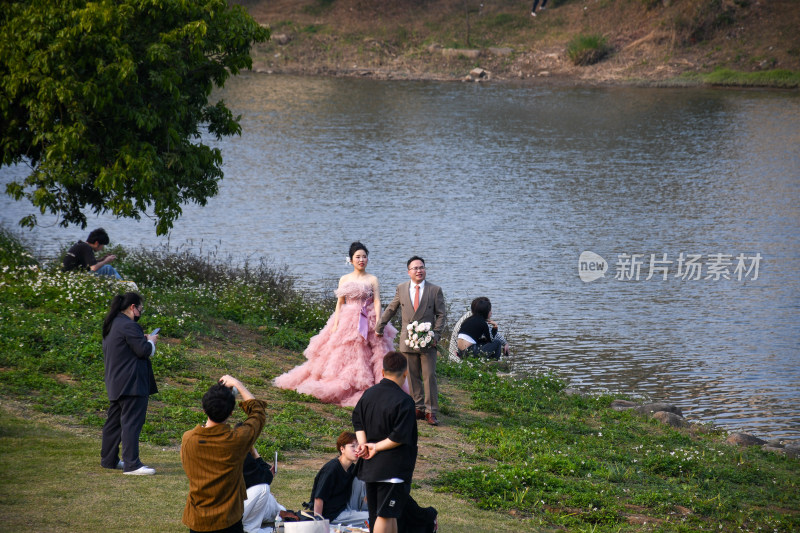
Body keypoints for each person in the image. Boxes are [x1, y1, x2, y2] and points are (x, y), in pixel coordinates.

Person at [274, 242, 398, 407]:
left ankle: (369, 385)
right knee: (341, 352)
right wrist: (335, 324)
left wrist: (378, 323)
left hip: (368, 318)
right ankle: (341, 382)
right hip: (348, 318)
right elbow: (340, 303)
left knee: (371, 353)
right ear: (351, 260)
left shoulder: (372, 279)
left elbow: (377, 301)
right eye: (358, 257)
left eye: (364, 256)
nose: (362, 260)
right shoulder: (345, 279)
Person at [181, 376, 267, 533]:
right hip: (228, 521)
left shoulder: (188, 439)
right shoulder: (237, 440)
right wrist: (238, 384)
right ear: (231, 413)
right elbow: (258, 413)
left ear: (204, 409)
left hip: (198, 520)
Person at [353, 351, 418, 533]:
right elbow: (399, 436)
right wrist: (374, 447)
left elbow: (357, 420)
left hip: (371, 467)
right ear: (405, 374)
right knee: (385, 514)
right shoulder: (405, 401)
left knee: (386, 515)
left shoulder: (369, 394)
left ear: (382, 372)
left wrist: (364, 444)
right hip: (393, 469)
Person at [377, 256, 446, 426]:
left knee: (429, 375)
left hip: (428, 342)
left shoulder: (434, 290)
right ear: (408, 272)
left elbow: (441, 315)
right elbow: (392, 308)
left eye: (421, 267)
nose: (419, 270)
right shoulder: (401, 288)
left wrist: (436, 335)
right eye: (415, 268)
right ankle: (418, 407)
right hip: (408, 340)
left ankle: (431, 411)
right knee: (412, 375)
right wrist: (380, 326)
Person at [100, 291, 158, 475]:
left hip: (116, 382)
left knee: (114, 423)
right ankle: (132, 464)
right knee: (132, 423)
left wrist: (142, 338)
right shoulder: (129, 325)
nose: (141, 312)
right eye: (140, 308)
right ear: (133, 307)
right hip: (132, 384)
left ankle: (109, 459)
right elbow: (143, 351)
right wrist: (151, 342)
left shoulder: (113, 324)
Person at [308, 431, 370, 527]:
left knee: (362, 479)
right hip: (333, 515)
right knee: (372, 518)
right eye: (352, 446)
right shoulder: (331, 469)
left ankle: (369, 512)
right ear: (342, 449)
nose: (357, 450)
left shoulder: (352, 468)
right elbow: (318, 498)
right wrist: (319, 523)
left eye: (358, 446)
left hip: (346, 507)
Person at [241, 445, 285, 533]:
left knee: (271, 500)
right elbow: (265, 477)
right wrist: (254, 453)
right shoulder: (236, 449)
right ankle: (251, 528)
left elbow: (259, 472)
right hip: (229, 514)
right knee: (263, 488)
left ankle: (283, 513)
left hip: (215, 509)